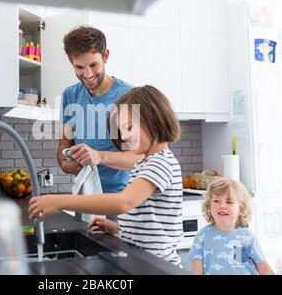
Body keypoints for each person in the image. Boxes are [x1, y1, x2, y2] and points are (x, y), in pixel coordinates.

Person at [30, 86, 184, 265]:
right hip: (142, 262)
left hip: (159, 267)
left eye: (128, 127)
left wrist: (60, 202)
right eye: (121, 131)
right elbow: (147, 222)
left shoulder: (160, 163)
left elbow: (123, 202)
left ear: (153, 119)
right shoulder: (143, 163)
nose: (124, 137)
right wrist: (117, 229)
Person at [58, 26, 144, 194]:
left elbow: (138, 157)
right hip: (86, 196)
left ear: (105, 56)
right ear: (71, 62)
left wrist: (98, 157)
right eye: (80, 67)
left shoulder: (128, 96)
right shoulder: (69, 95)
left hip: (122, 199)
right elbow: (63, 149)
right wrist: (66, 163)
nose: (88, 74)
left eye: (93, 65)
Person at [189, 177, 275, 275]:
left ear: (241, 210)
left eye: (229, 202)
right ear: (209, 206)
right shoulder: (202, 237)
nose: (222, 206)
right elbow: (196, 271)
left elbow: (264, 269)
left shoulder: (246, 237)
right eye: (217, 201)